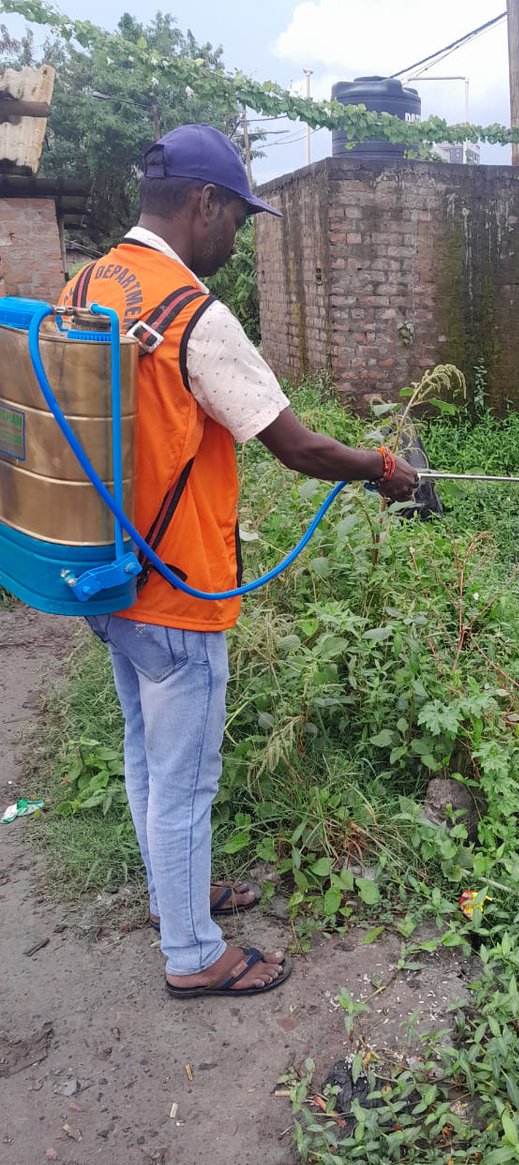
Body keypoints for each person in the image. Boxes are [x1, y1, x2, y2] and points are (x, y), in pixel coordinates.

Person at [58, 124, 419, 999]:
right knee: (185, 781)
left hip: (109, 575)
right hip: (178, 590)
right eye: (238, 218)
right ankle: (193, 955)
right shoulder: (192, 315)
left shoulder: (87, 283)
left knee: (146, 756)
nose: (238, 237)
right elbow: (296, 446)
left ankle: (172, 897)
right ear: (203, 203)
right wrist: (383, 468)